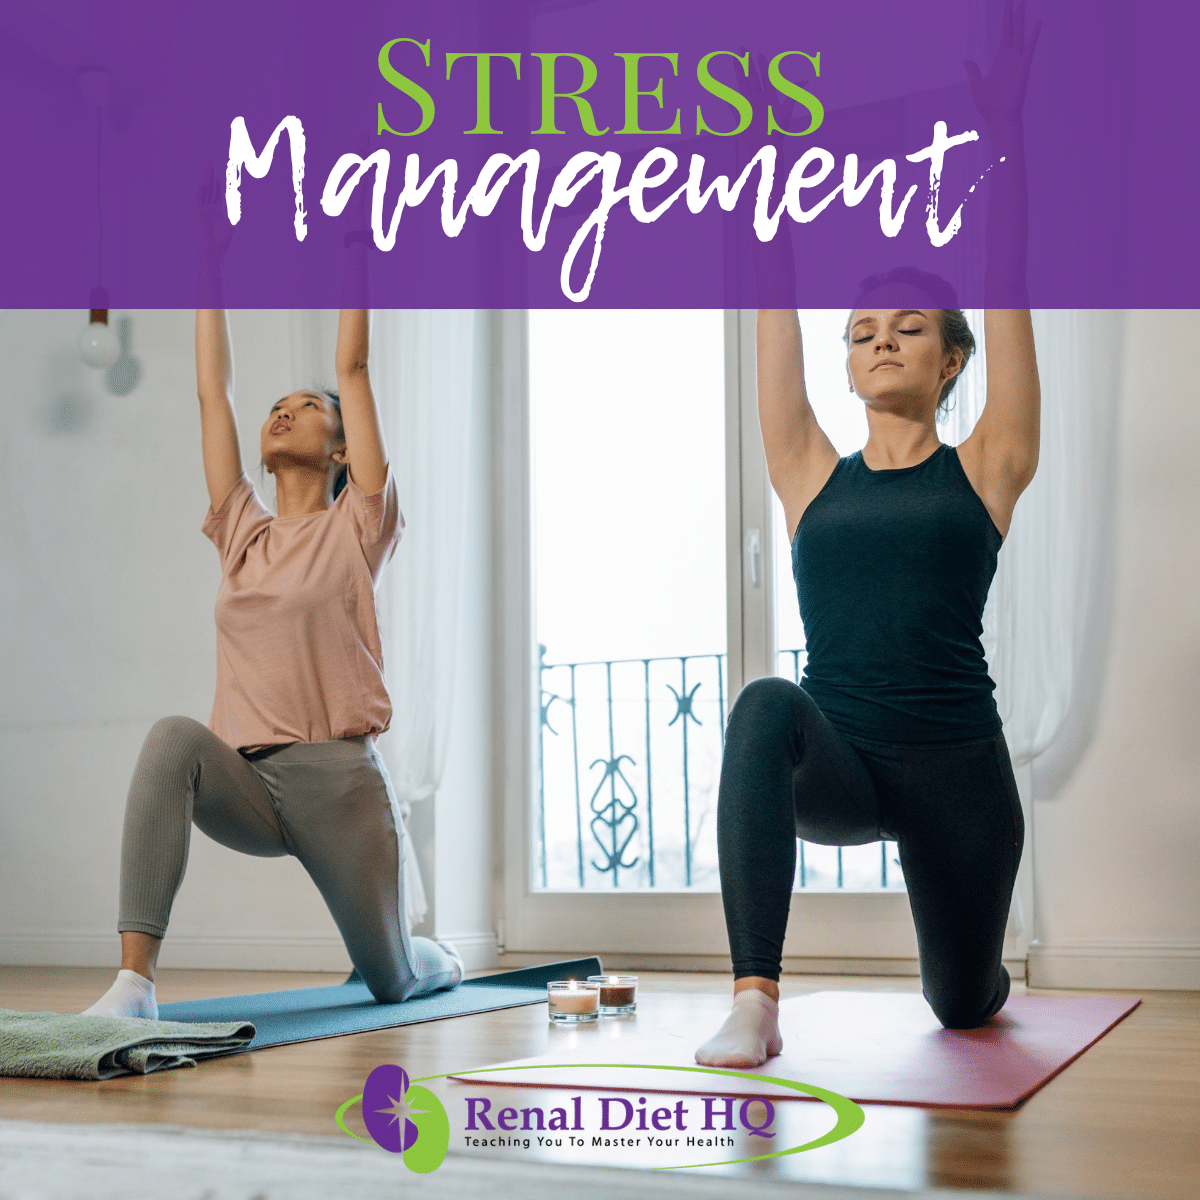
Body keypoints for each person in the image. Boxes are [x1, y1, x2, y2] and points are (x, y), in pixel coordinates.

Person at [83, 170, 461, 1021]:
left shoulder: (360, 524)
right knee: (172, 740)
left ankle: (433, 953)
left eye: (306, 409)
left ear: (338, 451)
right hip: (249, 782)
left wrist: (357, 250)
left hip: (340, 786)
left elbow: (352, 366)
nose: (283, 412)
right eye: (276, 408)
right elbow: (210, 392)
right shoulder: (240, 532)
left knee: (390, 981)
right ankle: (133, 986)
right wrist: (208, 266)